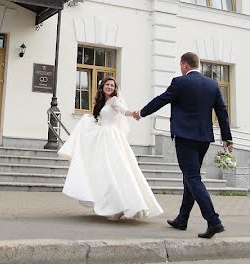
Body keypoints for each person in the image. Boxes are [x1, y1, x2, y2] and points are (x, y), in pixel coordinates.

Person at [133, 52, 233, 239]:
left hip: (185, 137)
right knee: (190, 178)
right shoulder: (212, 84)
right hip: (203, 139)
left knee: (193, 178)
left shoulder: (179, 82)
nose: (180, 68)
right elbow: (222, 111)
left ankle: (213, 221)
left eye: (181, 65)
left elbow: (161, 100)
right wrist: (227, 138)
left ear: (186, 65)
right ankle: (182, 219)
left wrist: (141, 113)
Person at [58, 76, 163, 221]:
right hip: (102, 137)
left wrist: (134, 114)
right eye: (107, 85)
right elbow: (100, 119)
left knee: (116, 170)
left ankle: (122, 207)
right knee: (104, 172)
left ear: (115, 89)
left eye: (112, 86)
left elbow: (123, 111)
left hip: (112, 138)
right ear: (102, 87)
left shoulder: (114, 101)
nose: (110, 87)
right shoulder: (102, 102)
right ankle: (115, 205)